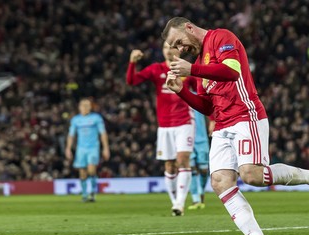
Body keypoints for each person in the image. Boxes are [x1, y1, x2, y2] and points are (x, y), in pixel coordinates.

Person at [162, 17, 309, 235]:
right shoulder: (199, 64)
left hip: (246, 115)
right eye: (175, 47)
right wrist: (182, 91)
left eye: (179, 41)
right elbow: (208, 107)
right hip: (222, 124)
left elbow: (232, 72)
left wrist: (192, 70)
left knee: (252, 175)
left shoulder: (221, 37)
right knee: (219, 181)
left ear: (189, 28)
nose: (180, 49)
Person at [126, 42, 196, 216]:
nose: (168, 51)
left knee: (183, 160)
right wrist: (132, 62)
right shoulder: (156, 69)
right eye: (165, 48)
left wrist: (212, 118)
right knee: (170, 165)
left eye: (171, 47)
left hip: (185, 121)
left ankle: (180, 203)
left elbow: (203, 90)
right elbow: (132, 81)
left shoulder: (187, 70)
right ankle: (175, 204)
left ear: (178, 51)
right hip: (164, 125)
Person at [65, 98, 110, 202]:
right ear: (79, 107)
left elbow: (102, 133)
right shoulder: (76, 120)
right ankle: (85, 195)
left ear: (90, 107)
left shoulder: (96, 118)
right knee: (82, 173)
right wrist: (68, 148)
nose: (85, 107)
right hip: (81, 149)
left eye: (87, 105)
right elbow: (71, 135)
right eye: (83, 105)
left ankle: (93, 192)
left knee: (91, 170)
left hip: (93, 148)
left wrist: (106, 148)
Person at [188, 109, 209, 210]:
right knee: (190, 170)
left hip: (202, 139)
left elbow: (208, 113)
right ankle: (195, 199)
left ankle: (201, 192)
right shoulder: (180, 99)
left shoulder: (199, 96)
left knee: (204, 170)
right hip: (187, 139)